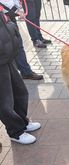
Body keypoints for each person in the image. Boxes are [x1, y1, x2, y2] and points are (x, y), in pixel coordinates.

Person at [0, 6, 41, 144]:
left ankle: (22, 122)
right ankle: (15, 131)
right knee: (5, 101)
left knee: (20, 92)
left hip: (7, 55)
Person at [0, 0, 43, 80]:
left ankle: (24, 71)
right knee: (13, 46)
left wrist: (19, 9)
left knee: (17, 44)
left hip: (8, 17)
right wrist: (17, 10)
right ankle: (22, 72)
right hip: (3, 18)